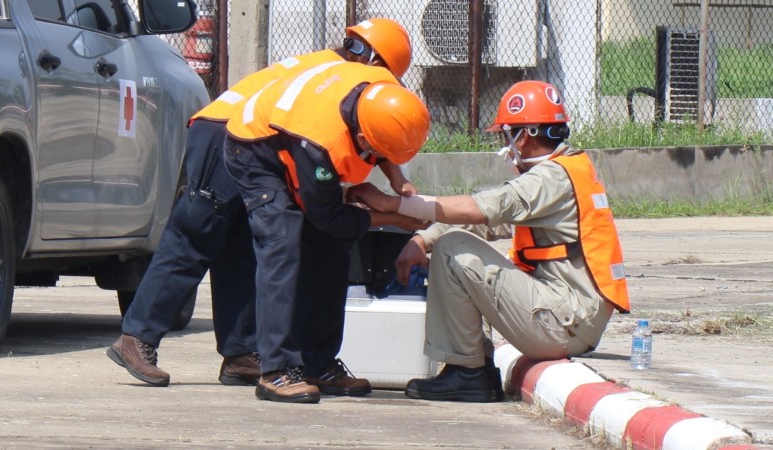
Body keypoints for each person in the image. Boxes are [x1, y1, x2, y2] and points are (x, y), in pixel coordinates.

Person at [106, 18, 416, 388]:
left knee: (242, 245)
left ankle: (242, 352)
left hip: (263, 138)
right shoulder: (343, 75)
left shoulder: (338, 68)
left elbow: (371, 124)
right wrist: (388, 205)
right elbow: (352, 127)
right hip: (225, 129)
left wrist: (398, 179)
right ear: (381, 67)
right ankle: (137, 336)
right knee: (197, 235)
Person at [347, 80, 630, 403]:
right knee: (454, 245)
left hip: (563, 323)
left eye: (506, 136)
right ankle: (473, 367)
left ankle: (468, 373)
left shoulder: (550, 178)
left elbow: (483, 208)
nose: (505, 146)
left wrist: (393, 204)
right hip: (570, 317)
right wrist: (422, 239)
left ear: (523, 137)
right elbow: (485, 221)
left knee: (453, 250)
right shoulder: (566, 170)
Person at [222, 62, 430, 404]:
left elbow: (382, 133)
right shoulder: (322, 143)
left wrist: (398, 180)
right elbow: (329, 217)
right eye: (377, 152)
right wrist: (392, 215)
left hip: (292, 134)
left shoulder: (383, 89)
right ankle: (276, 370)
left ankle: (317, 363)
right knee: (283, 243)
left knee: (332, 249)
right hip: (254, 148)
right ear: (361, 139)